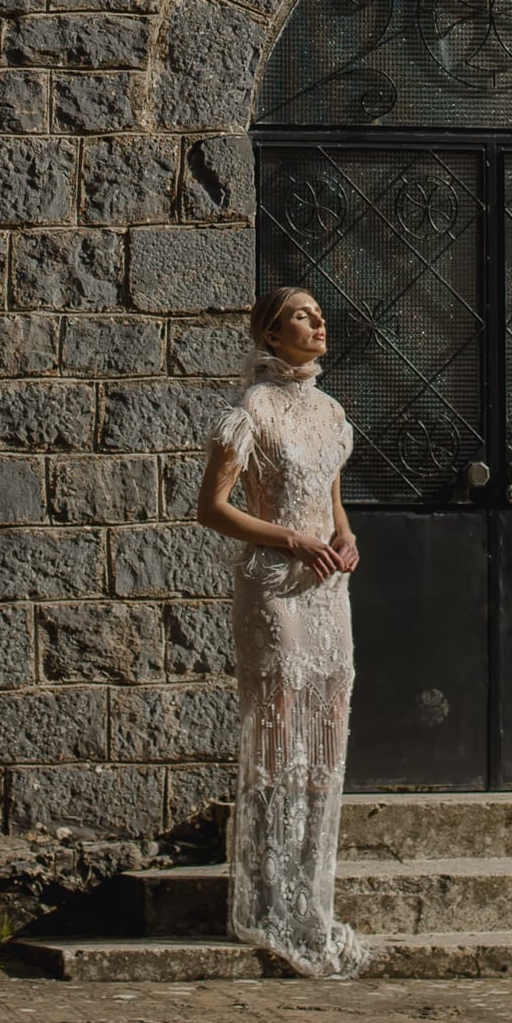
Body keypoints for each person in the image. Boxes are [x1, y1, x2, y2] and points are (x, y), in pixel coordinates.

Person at [195, 282, 370, 976]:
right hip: (275, 588)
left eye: (320, 311)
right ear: (271, 333)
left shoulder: (329, 411)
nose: (319, 319)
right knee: (282, 728)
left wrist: (347, 539)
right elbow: (212, 507)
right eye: (303, 313)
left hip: (330, 588)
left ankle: (310, 902)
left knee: (326, 730)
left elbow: (331, 501)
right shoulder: (252, 408)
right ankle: (269, 900)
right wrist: (293, 542)